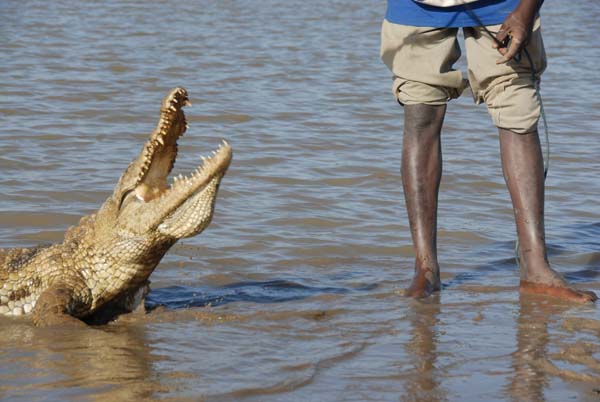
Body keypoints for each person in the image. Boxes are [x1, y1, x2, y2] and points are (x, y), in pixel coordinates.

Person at [380, 0, 597, 302]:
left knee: (517, 111)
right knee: (420, 112)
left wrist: (526, 10)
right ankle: (425, 269)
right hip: (418, 7)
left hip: (504, 6)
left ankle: (535, 267)